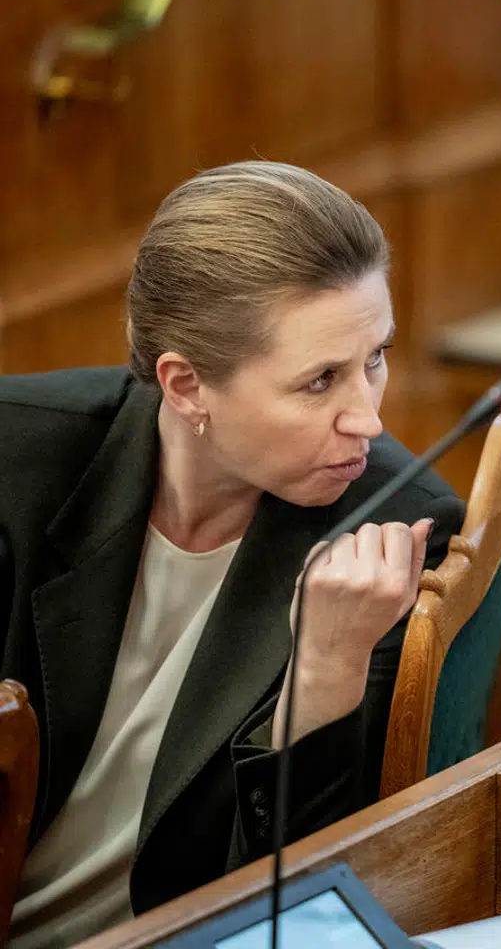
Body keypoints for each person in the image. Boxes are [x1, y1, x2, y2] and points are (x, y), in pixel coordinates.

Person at [0, 161, 466, 949]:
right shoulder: (17, 463)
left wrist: (325, 672)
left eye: (375, 359)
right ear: (185, 388)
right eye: (320, 381)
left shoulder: (394, 528)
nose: (369, 421)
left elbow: (301, 904)